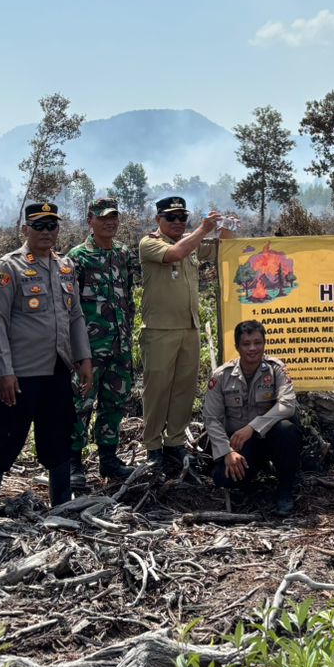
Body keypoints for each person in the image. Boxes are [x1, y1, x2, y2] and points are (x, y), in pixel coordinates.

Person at [0, 202, 93, 512]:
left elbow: (75, 316)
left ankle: (61, 502)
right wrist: (4, 371)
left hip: (57, 368)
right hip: (20, 372)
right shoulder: (9, 267)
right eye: (39, 226)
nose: (46, 232)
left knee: (58, 436)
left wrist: (83, 357)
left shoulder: (65, 266)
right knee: (5, 437)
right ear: (25, 229)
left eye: (51, 226)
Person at [138, 196, 220, 477]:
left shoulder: (190, 242)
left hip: (189, 327)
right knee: (157, 390)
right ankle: (153, 446)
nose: (177, 222)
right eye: (170, 217)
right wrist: (203, 229)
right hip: (160, 329)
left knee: (184, 389)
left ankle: (174, 441)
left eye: (182, 217)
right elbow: (174, 254)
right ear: (158, 219)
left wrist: (225, 228)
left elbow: (220, 249)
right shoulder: (149, 243)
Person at [67, 197, 141, 487]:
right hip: (89, 349)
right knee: (80, 404)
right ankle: (73, 462)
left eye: (113, 217)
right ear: (90, 221)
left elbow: (128, 297)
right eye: (103, 218)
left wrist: (127, 333)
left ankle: (108, 459)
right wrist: (76, 350)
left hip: (119, 346)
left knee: (114, 403)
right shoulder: (78, 257)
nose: (110, 222)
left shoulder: (122, 254)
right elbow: (70, 307)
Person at [202, 319, 301, 515]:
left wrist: (253, 427)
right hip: (238, 445)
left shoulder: (276, 369)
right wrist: (226, 452)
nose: (253, 348)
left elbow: (287, 405)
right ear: (237, 347)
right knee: (223, 479)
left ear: (264, 344)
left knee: (287, 430)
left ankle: (285, 490)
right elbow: (211, 418)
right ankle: (252, 472)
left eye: (258, 343)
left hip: (269, 438)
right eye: (246, 344)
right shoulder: (222, 376)